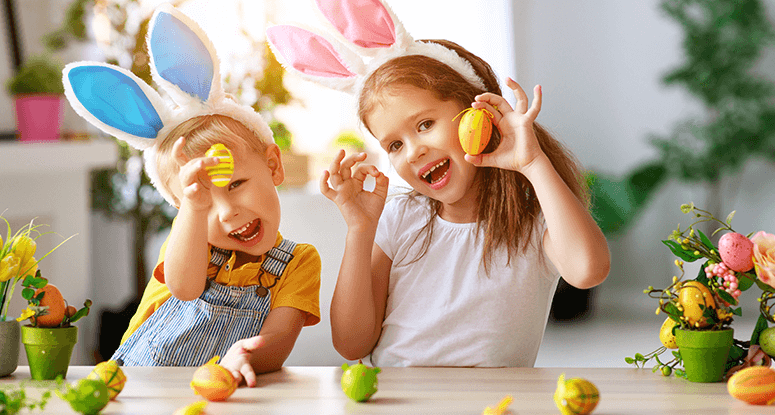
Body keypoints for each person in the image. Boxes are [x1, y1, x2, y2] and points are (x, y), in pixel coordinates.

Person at [268, 0, 609, 367]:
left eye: (424, 125)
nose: (413, 151)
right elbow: (351, 344)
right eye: (394, 145)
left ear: (477, 114)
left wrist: (533, 162)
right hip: (398, 395)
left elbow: (588, 270)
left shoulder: (533, 219)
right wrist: (359, 229)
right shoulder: (399, 216)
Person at [62, 4, 320, 385]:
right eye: (199, 200)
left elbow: (280, 340)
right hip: (136, 387)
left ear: (273, 165)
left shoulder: (298, 262)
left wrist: (248, 355)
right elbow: (185, 288)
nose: (227, 212)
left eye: (235, 184)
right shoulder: (188, 244)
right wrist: (193, 215)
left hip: (223, 390)